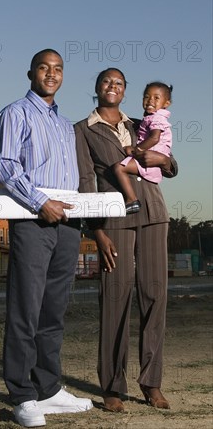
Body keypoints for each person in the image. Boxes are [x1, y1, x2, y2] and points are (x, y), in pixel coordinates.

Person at [0, 49, 93, 428]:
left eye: (58, 69)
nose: (51, 74)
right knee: (26, 309)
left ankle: (49, 388)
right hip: (34, 221)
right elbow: (6, 167)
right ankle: (22, 394)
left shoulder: (66, 125)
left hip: (67, 225)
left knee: (53, 310)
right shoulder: (15, 113)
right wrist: (40, 202)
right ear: (31, 72)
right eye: (44, 68)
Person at [74, 68, 177, 413]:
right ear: (97, 87)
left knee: (154, 296)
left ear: (125, 90)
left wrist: (163, 159)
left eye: (119, 83)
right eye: (106, 81)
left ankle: (151, 382)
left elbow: (170, 164)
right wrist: (97, 231)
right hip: (114, 217)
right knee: (115, 297)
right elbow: (86, 181)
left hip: (154, 214)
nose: (112, 86)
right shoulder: (83, 130)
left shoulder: (141, 123)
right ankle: (112, 386)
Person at [112, 82, 173, 214]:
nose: (150, 100)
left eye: (156, 98)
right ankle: (132, 199)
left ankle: (131, 199)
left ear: (166, 103)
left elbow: (154, 138)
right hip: (150, 157)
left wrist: (136, 150)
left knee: (119, 168)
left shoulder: (157, 118)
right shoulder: (151, 118)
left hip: (151, 159)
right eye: (146, 97)